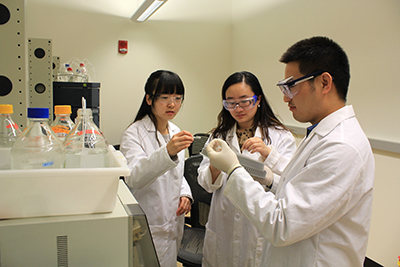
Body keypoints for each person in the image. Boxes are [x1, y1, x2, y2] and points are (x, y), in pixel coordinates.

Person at [204, 37, 375, 267]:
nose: (285, 97)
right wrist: (272, 180)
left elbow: (281, 224)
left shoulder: (342, 147)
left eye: (291, 86)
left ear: (324, 83)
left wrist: (234, 170)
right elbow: (297, 194)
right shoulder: (319, 135)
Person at [197, 71, 296, 266]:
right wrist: (215, 168)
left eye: (244, 101)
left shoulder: (281, 137)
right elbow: (205, 183)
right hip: (223, 224)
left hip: (257, 228)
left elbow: (291, 185)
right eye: (230, 103)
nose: (237, 108)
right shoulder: (219, 135)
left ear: (258, 100)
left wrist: (269, 155)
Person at [120, 70, 194, 267]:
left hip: (173, 222)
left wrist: (185, 194)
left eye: (178, 98)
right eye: (165, 97)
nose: (172, 104)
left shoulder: (176, 131)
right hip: (149, 222)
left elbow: (178, 173)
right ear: (149, 99)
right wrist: (167, 153)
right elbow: (134, 177)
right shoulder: (134, 134)